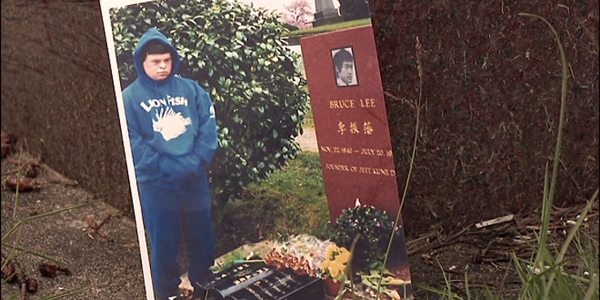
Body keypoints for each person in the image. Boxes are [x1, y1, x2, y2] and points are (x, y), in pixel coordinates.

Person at [122, 27, 218, 300]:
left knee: (202, 236)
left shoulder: (192, 90)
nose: (162, 66)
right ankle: (166, 293)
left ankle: (204, 287)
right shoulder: (129, 98)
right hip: (156, 185)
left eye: (167, 60)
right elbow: (132, 141)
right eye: (155, 61)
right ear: (142, 62)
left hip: (193, 180)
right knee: (165, 243)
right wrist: (167, 166)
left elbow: (208, 128)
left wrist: (195, 160)